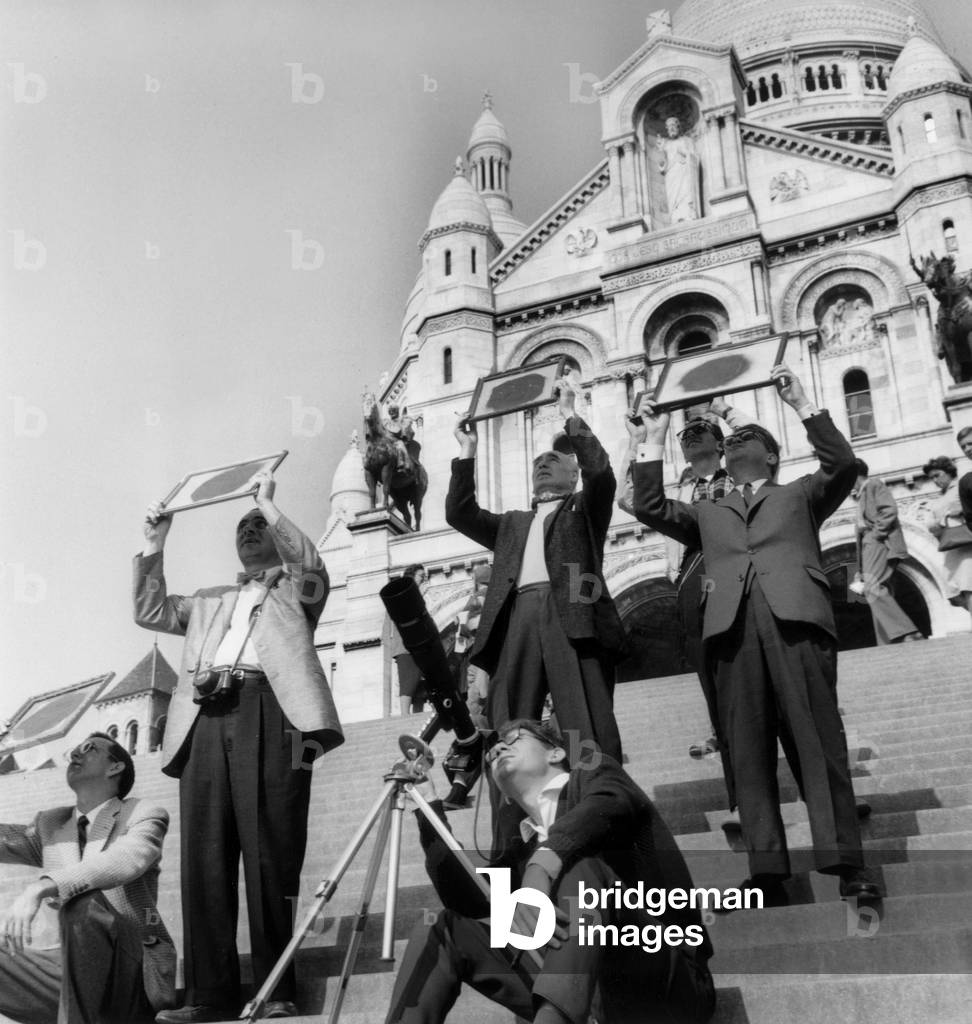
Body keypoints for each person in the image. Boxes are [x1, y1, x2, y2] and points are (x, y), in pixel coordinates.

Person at [630, 366, 881, 904]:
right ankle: (768, 872)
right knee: (746, 750)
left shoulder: (800, 494)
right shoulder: (707, 509)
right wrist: (651, 438)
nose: (736, 441)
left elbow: (842, 463)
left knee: (819, 743)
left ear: (772, 456)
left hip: (795, 624)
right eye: (732, 439)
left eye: (747, 438)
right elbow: (649, 506)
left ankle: (846, 863)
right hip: (731, 632)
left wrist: (803, 403)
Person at [133, 471, 343, 1023]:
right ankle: (209, 993)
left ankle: (276, 987)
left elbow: (314, 566)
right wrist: (155, 544)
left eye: (259, 526)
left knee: (272, 852)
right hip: (204, 719)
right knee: (205, 858)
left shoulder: (298, 591)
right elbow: (150, 612)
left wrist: (267, 503)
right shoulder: (209, 600)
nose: (250, 530)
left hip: (273, 713)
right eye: (243, 526)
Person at [384, 719, 715, 1024]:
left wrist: (540, 869)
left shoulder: (595, 777)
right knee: (444, 927)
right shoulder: (520, 850)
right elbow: (466, 898)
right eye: (494, 749)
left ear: (556, 751)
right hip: (591, 999)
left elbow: (610, 803)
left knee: (580, 868)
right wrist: (427, 805)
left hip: (666, 983)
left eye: (513, 739)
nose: (497, 748)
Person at [445, 376, 627, 765]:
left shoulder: (584, 509)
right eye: (538, 463)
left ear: (573, 476)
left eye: (554, 461)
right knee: (511, 720)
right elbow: (459, 512)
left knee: (585, 722)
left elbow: (601, 473)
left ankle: (597, 797)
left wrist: (569, 415)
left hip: (573, 616)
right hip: (517, 619)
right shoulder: (512, 523)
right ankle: (512, 820)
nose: (543, 463)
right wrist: (467, 450)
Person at [0, 732, 176, 1024]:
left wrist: (40, 888)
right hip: (64, 974)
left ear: (115, 767)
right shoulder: (51, 824)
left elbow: (126, 860)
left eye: (89, 749)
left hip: (130, 975)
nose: (75, 755)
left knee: (83, 903)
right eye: (75, 750)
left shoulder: (142, 813)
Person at [620, 398, 753, 767]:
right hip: (695, 576)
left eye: (700, 430)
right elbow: (627, 498)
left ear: (719, 442)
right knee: (707, 664)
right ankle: (723, 732)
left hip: (742, 571)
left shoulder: (741, 478)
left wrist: (726, 409)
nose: (691, 435)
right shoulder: (676, 494)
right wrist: (638, 440)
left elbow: (757, 442)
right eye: (686, 434)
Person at [850, 458, 923, 644]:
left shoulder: (873, 485)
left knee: (873, 587)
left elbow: (889, 510)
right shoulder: (861, 494)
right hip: (869, 543)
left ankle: (907, 631)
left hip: (877, 541)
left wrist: (876, 534)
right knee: (880, 588)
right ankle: (888, 640)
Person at [923, 455, 972, 627]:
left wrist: (945, 515)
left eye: (938, 475)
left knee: (968, 585)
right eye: (932, 478)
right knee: (954, 591)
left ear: (948, 471)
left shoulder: (961, 486)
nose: (935, 480)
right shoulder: (941, 496)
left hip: (965, 543)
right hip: (951, 546)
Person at [386, 564, 430, 715]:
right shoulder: (403, 593)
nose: (424, 579)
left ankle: (417, 716)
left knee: (420, 683)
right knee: (408, 681)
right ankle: (405, 715)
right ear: (411, 576)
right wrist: (419, 596)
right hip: (406, 647)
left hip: (418, 646)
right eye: (421, 576)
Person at [655, 115, 701, 223]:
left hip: (684, 171)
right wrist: (661, 156)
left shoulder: (686, 140)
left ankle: (689, 214)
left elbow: (694, 156)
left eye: (673, 125)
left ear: (678, 127)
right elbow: (663, 164)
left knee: (685, 192)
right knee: (673, 197)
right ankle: (675, 217)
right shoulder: (666, 144)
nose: (671, 128)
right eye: (669, 126)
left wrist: (685, 153)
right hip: (671, 174)